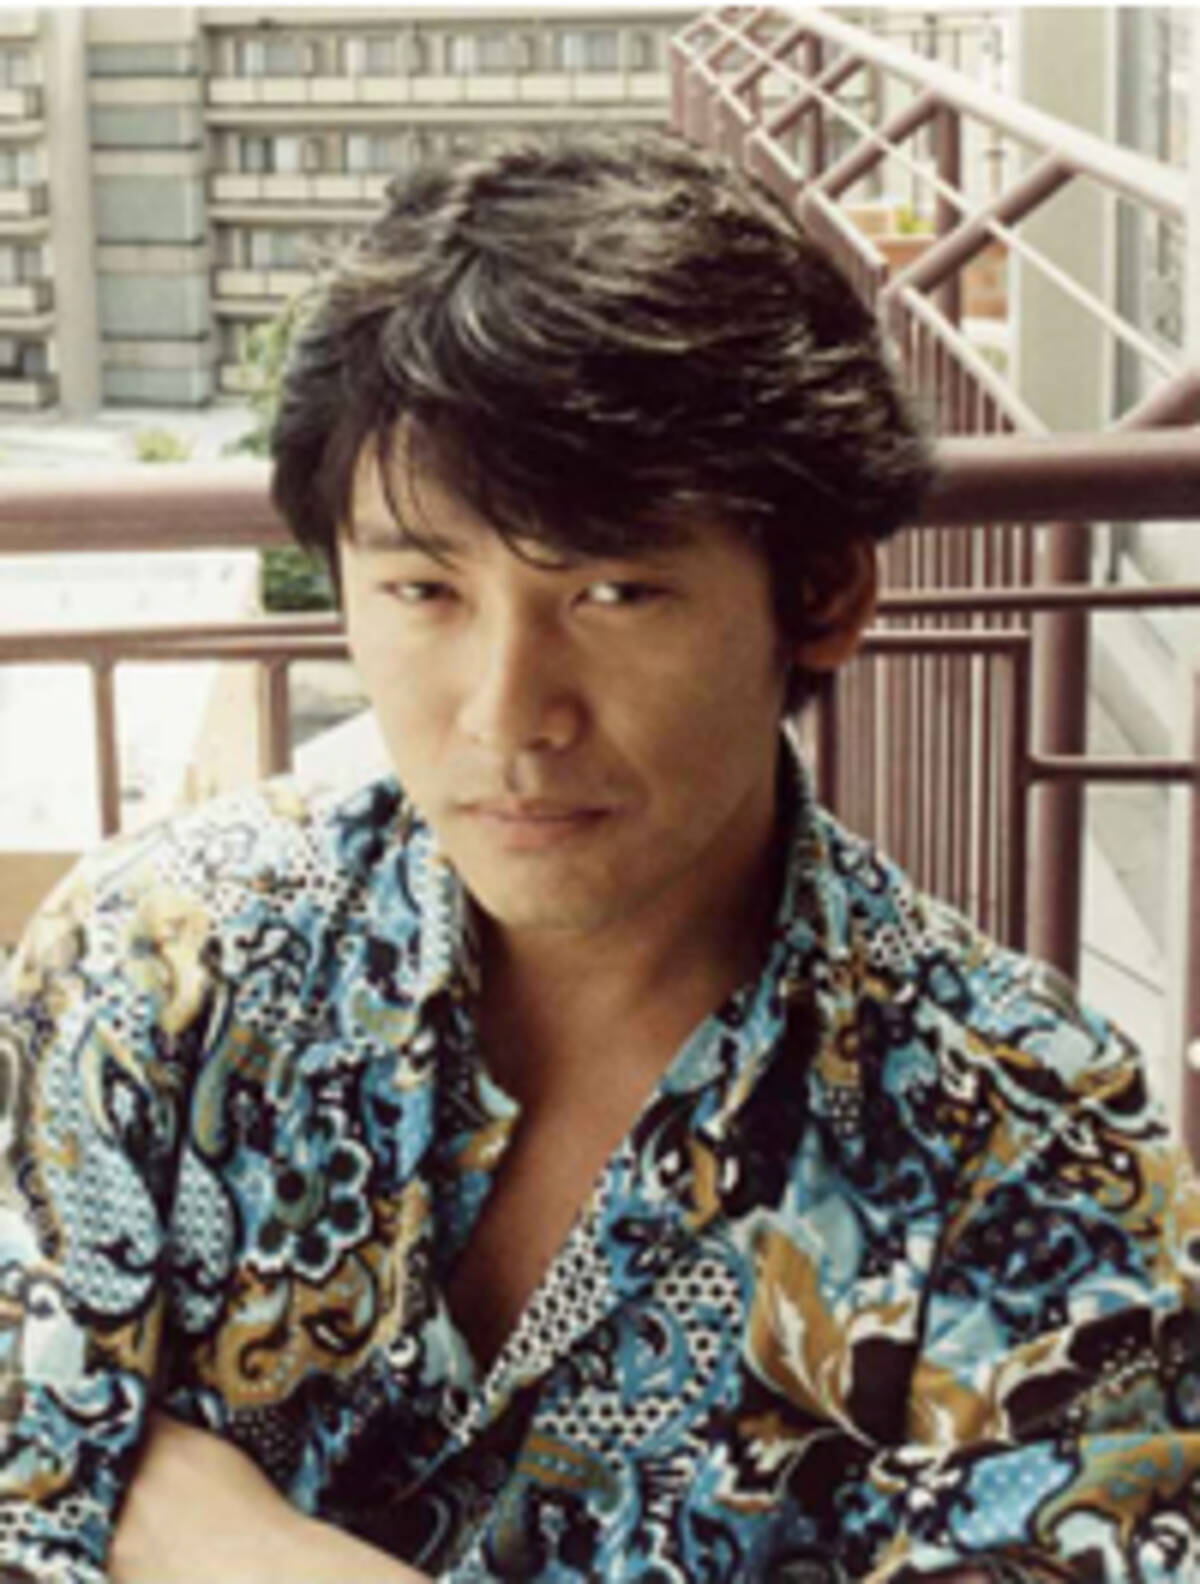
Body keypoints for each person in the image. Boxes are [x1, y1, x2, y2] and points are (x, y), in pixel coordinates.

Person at [1, 133, 1198, 1584]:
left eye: (616, 592)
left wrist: (244, 1553)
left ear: (821, 594)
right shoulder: (161, 971)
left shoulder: (1023, 1136)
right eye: (424, 589)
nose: (508, 714)